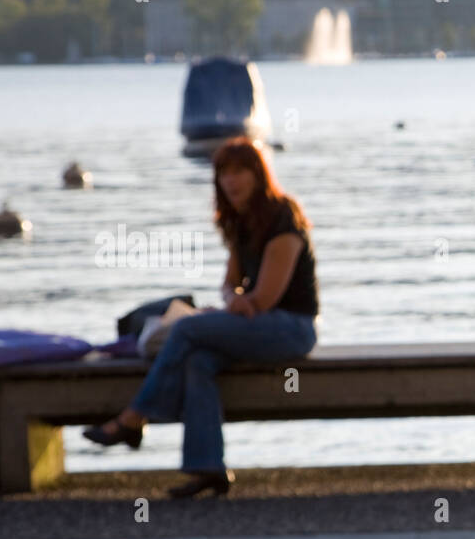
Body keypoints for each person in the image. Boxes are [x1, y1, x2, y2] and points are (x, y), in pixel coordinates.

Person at [84, 137, 319, 498]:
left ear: (258, 174)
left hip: (292, 328)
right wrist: (233, 299)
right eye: (223, 173)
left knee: (189, 328)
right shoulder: (241, 222)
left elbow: (268, 298)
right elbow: (229, 285)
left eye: (239, 171)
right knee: (198, 360)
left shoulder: (283, 218)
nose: (231, 180)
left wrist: (241, 303)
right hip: (257, 324)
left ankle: (133, 418)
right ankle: (208, 467)